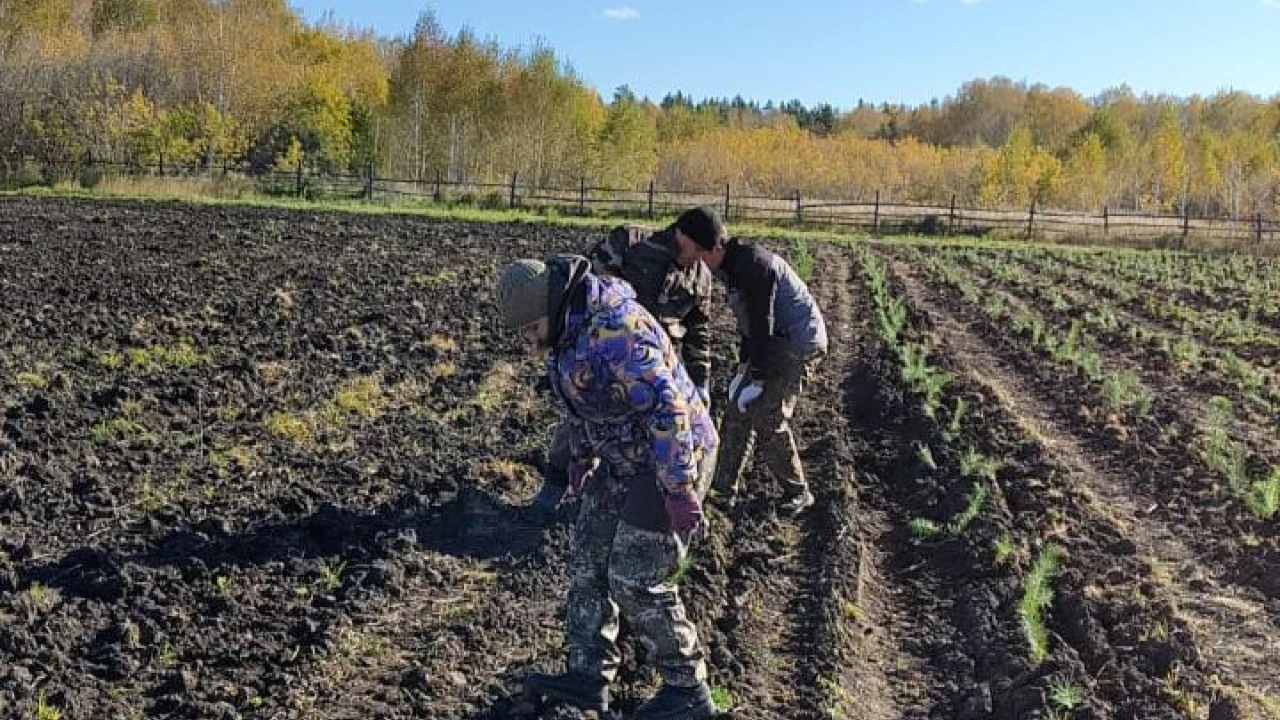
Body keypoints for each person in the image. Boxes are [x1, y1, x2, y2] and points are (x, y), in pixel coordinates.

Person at [496, 254, 719, 720]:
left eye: (530, 328)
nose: (529, 342)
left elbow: (669, 409)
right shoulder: (566, 332)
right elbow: (582, 403)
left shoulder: (614, 333)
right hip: (622, 456)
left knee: (635, 577)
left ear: (551, 307)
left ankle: (688, 692)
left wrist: (678, 488)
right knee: (588, 556)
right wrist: (580, 456)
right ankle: (588, 676)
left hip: (670, 457)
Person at [530, 212, 716, 513]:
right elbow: (582, 286)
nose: (699, 258)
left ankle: (644, 500)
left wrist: (701, 380)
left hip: (651, 360)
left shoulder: (699, 276)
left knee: (657, 423)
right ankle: (555, 484)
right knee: (582, 416)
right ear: (682, 235)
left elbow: (699, 330)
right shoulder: (632, 243)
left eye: (705, 253)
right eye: (697, 249)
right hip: (602, 355)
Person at [670, 206, 828, 515]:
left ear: (711, 249)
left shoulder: (754, 266)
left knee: (767, 415)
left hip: (798, 342)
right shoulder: (729, 266)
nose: (683, 255)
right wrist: (743, 369)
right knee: (736, 409)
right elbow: (749, 326)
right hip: (772, 340)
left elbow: (762, 323)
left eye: (688, 248)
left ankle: (798, 491)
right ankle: (721, 489)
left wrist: (756, 378)